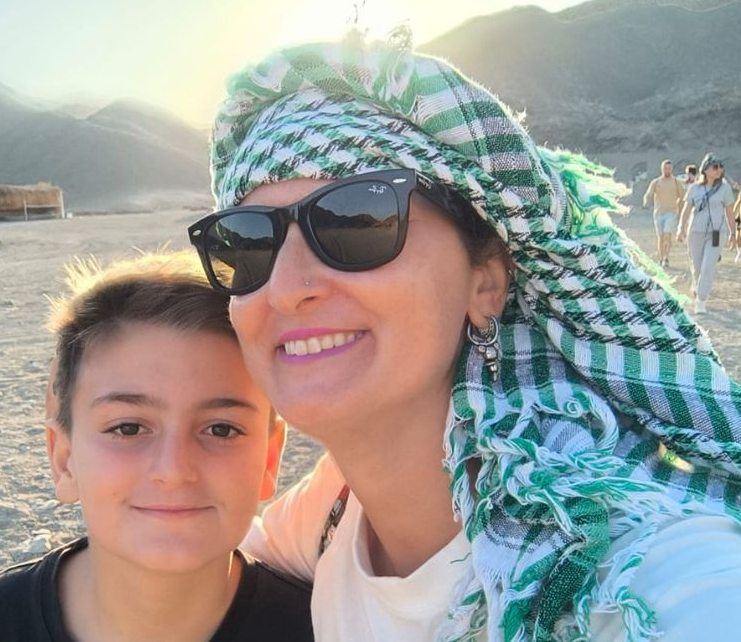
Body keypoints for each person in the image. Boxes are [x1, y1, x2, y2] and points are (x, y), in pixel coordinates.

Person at [188, 40, 741, 641]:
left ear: (486, 283)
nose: (286, 288)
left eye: (356, 222)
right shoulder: (334, 507)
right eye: (249, 242)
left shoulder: (646, 581)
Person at [0, 253, 313, 641]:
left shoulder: (321, 627)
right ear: (64, 458)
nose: (173, 470)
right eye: (128, 428)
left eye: (221, 429)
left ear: (269, 459)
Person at [677, 154, 737, 313]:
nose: (719, 170)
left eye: (720, 167)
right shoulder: (694, 189)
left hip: (717, 233)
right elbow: (686, 210)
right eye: (715, 167)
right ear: (705, 169)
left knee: (708, 265)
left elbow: (729, 213)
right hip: (696, 232)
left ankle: (701, 300)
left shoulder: (725, 189)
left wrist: (733, 233)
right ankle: (697, 286)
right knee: (697, 267)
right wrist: (680, 228)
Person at [642, 159, 684, 267]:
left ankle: (666, 258)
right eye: (665, 168)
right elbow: (648, 194)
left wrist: (680, 212)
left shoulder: (676, 182)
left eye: (669, 168)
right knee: (660, 237)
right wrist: (646, 201)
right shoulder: (656, 182)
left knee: (667, 235)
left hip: (671, 213)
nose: (667, 170)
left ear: (672, 169)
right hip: (658, 213)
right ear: (662, 169)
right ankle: (661, 258)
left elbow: (683, 197)